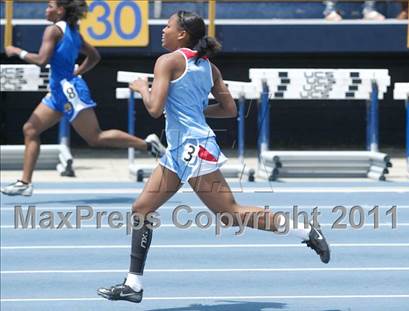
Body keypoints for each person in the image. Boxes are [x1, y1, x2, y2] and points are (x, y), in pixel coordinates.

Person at [97, 10, 331, 303]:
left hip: (193, 147)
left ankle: (305, 230)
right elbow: (229, 109)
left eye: (167, 26)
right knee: (142, 208)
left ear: (182, 34)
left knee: (230, 214)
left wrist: (142, 87)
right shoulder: (210, 67)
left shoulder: (166, 62)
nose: (162, 30)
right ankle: (134, 285)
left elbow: (154, 109)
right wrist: (195, 112)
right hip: (180, 149)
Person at [1, 0, 165, 197]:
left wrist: (17, 51)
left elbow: (42, 61)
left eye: (50, 6)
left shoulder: (53, 31)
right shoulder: (72, 31)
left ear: (60, 10)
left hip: (69, 92)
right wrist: (78, 71)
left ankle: (148, 145)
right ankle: (24, 183)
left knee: (95, 137)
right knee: (30, 129)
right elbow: (94, 57)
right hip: (58, 92)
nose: (46, 9)